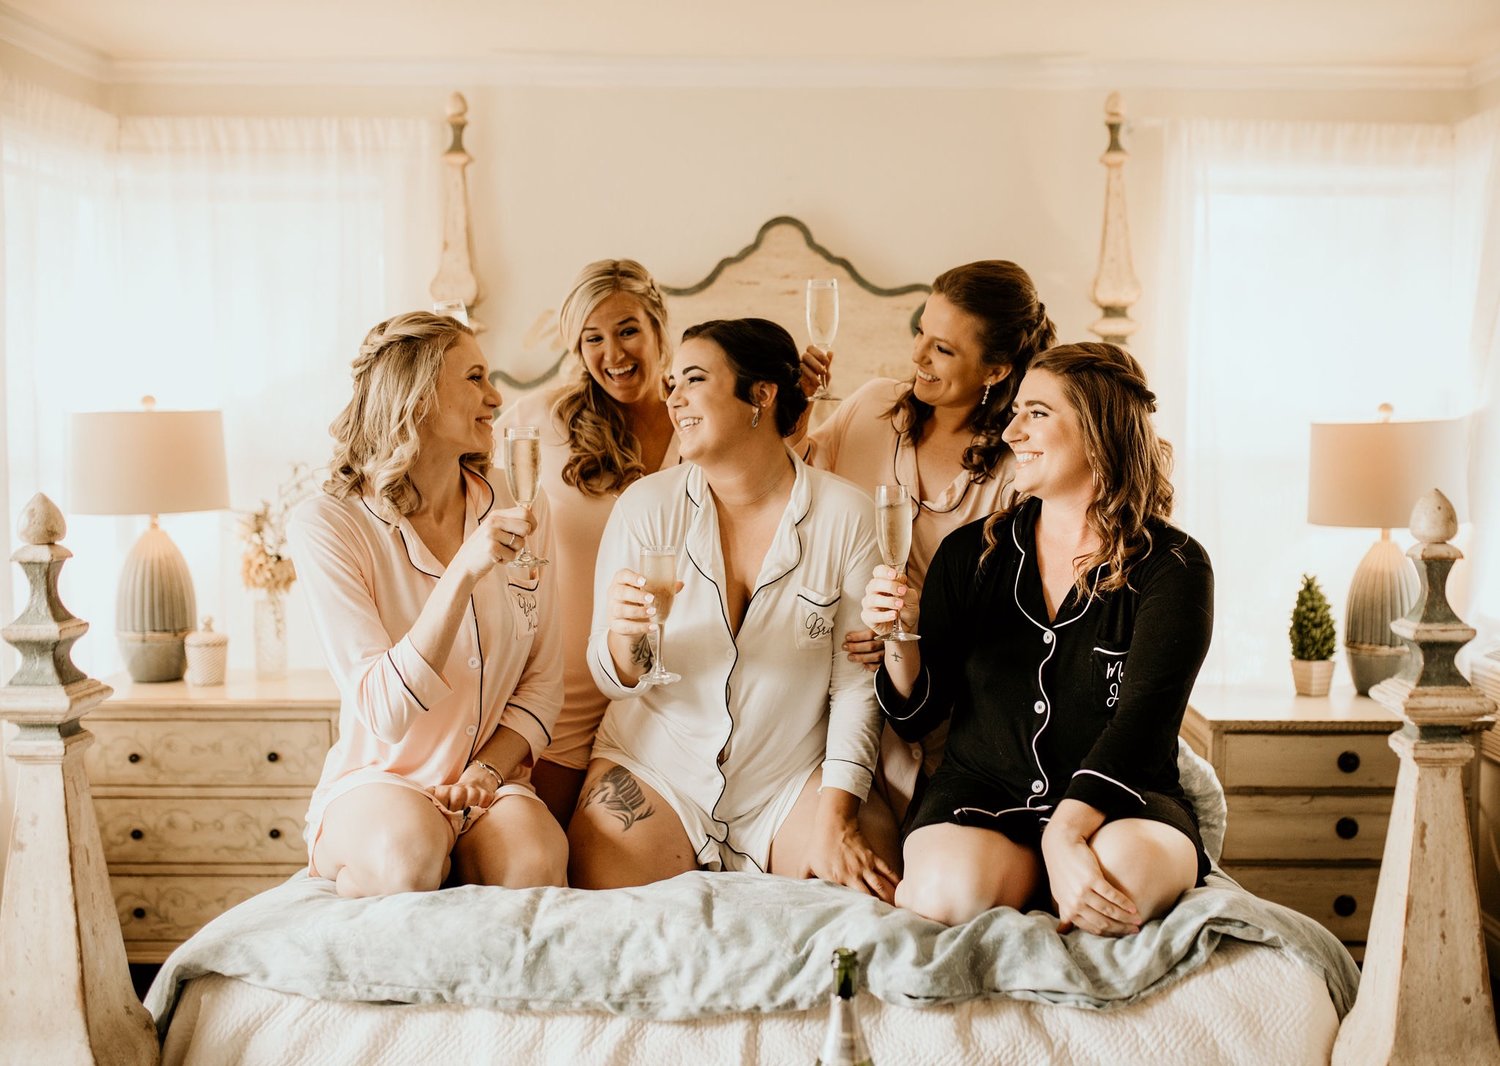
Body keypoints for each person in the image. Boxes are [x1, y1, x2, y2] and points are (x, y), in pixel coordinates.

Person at [862, 342, 1213, 933]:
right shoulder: (969, 555)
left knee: (1123, 881)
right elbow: (917, 716)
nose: (1011, 432)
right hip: (983, 797)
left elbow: (1143, 727)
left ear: (1099, 431)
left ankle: (1058, 882)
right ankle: (1037, 886)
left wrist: (1066, 833)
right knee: (946, 895)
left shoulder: (1173, 566)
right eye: (1015, 411)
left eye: (1037, 414)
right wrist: (903, 632)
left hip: (1121, 802)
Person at [570, 317, 901, 900]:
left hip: (787, 777)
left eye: (693, 379)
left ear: (761, 396)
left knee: (863, 892)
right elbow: (616, 676)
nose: (672, 398)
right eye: (671, 382)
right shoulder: (646, 507)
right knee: (613, 911)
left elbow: (855, 685)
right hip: (656, 768)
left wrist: (835, 819)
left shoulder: (845, 517)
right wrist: (624, 640)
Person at [289, 311, 567, 898]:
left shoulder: (518, 504)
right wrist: (464, 571)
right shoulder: (331, 524)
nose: (495, 397)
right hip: (379, 783)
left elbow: (542, 684)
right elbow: (383, 711)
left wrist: (485, 772)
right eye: (473, 378)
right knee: (408, 856)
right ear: (416, 398)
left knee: (535, 863)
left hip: (483, 782)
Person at [799, 261, 1056, 820]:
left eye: (942, 348)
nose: (917, 355)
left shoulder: (1022, 470)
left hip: (951, 712)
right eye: (920, 331)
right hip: (833, 693)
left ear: (995, 370)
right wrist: (791, 411)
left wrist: (909, 638)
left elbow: (1023, 616)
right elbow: (784, 492)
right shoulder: (869, 409)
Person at [497, 259, 680, 827]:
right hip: (569, 687)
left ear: (657, 329)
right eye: (591, 338)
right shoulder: (538, 422)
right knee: (552, 856)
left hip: (676, 686)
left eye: (628, 330)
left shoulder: (702, 415)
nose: (614, 354)